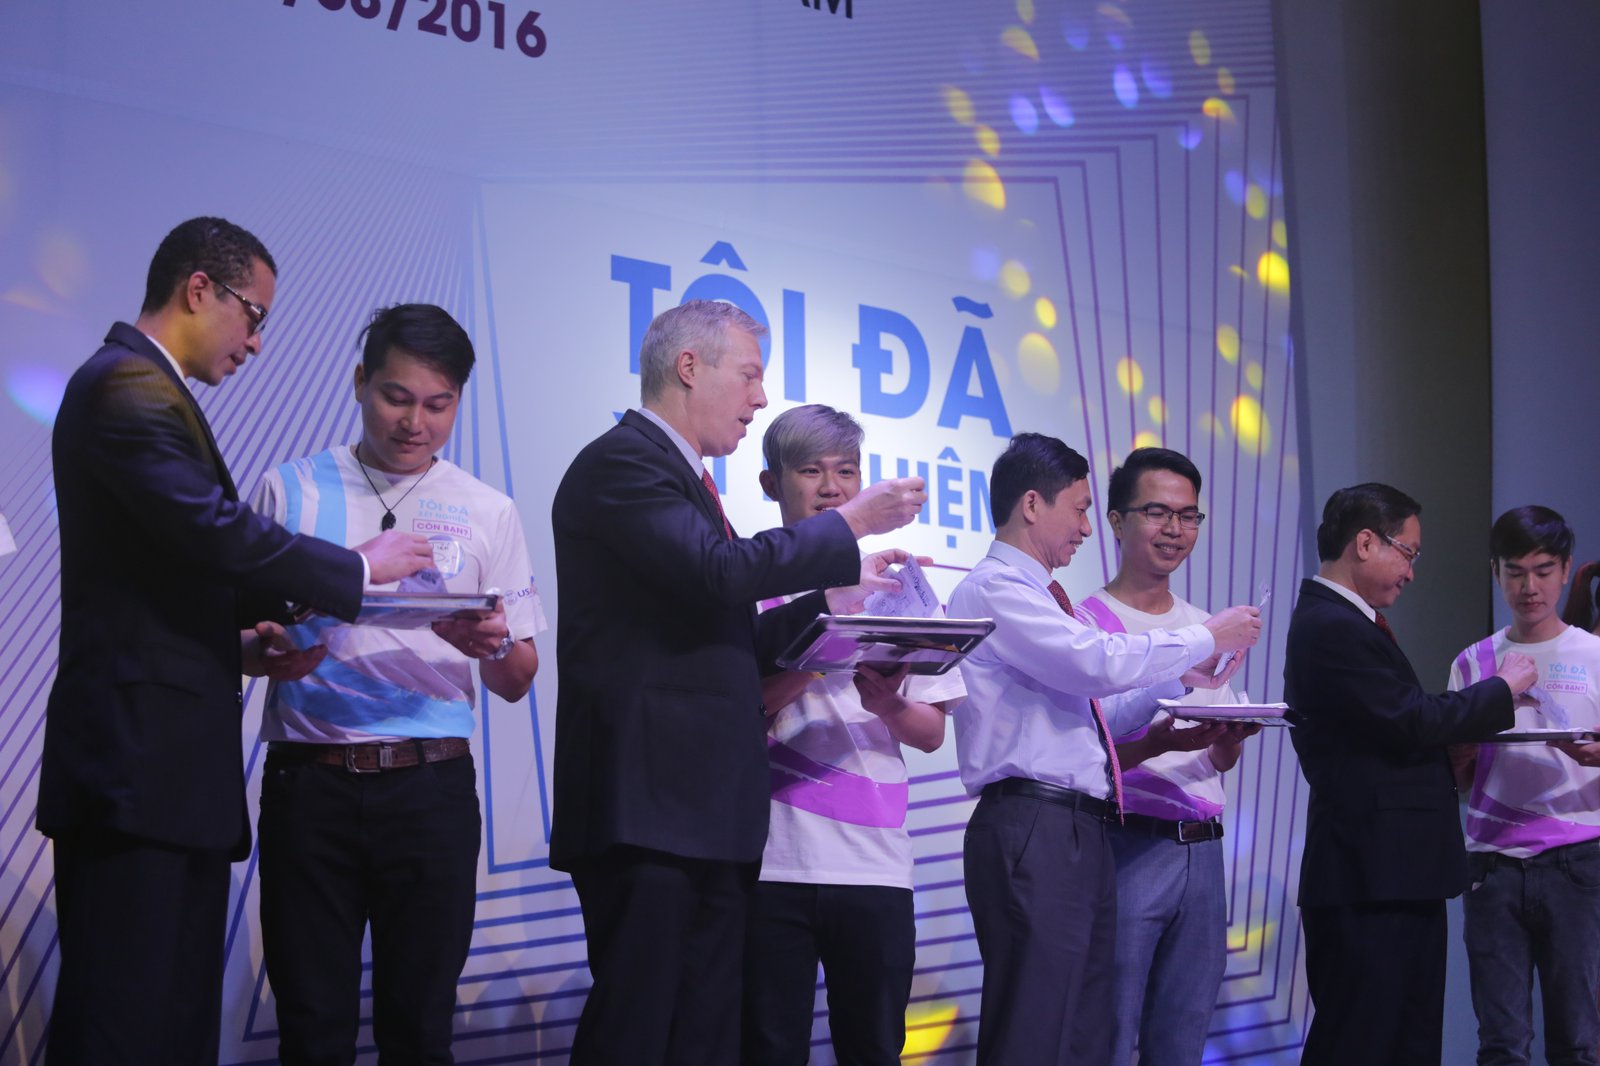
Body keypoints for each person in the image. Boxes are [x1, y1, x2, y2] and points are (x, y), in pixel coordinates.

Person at [37, 217, 432, 1066]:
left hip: (163, 772)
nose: (256, 343)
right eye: (253, 316)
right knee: (121, 1021)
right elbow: (214, 533)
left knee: (169, 1022)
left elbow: (168, 569)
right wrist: (357, 571)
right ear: (198, 290)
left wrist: (246, 645)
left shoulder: (148, 390)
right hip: (132, 768)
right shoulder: (126, 389)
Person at [549, 300, 928, 1066]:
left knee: (704, 1040)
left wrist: (834, 606)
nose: (760, 398)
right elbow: (719, 573)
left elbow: (728, 641)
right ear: (690, 367)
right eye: (750, 375)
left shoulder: (683, 480)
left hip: (704, 816)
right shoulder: (624, 462)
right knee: (639, 1029)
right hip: (648, 808)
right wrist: (847, 525)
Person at [244, 303, 544, 1065]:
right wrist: (265, 653)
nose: (415, 422)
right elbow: (238, 643)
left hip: (431, 790)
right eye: (396, 397)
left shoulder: (488, 510)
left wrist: (493, 639)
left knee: (420, 1028)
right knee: (312, 1029)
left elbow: (517, 679)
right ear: (358, 383)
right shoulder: (290, 492)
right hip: (310, 786)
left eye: (438, 405)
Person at [945, 432, 1262, 1066]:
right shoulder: (995, 587)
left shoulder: (1039, 596)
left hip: (1075, 824)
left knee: (1081, 1034)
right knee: (1038, 1029)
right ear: (1033, 504)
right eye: (1082, 508)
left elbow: (1094, 710)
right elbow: (1089, 663)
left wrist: (1185, 691)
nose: (1087, 528)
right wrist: (1201, 638)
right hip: (1034, 820)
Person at [740, 404, 965, 1066]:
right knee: (766, 1049)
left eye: (845, 471)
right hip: (768, 865)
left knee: (873, 1050)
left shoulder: (900, 585)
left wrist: (890, 705)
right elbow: (732, 712)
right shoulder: (745, 587)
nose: (831, 487)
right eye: (810, 470)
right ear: (771, 483)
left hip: (875, 868)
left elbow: (929, 734)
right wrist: (818, 660)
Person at [1285, 483, 1538, 1066]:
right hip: (1368, 875)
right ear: (1367, 542)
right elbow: (1410, 717)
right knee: (1365, 1040)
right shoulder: (1330, 625)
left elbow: (1384, 732)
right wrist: (1502, 689)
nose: (1412, 572)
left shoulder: (1348, 623)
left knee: (1406, 1039)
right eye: (1409, 552)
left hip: (1392, 873)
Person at [1071, 447, 1257, 1066]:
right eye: (1157, 512)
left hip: (1202, 851)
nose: (1175, 529)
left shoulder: (1211, 626)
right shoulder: (1083, 626)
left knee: (1182, 1042)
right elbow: (1080, 756)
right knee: (1108, 1035)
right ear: (1117, 522)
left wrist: (1230, 739)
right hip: (1123, 846)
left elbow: (1220, 761)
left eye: (1189, 516)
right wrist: (1160, 740)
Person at [1447, 506, 1600, 1066]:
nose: (1529, 587)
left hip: (1580, 862)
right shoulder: (1474, 662)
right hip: (1493, 866)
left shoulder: (1594, 656)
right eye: (1515, 572)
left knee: (1579, 1041)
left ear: (1564, 571)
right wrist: (1458, 757)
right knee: (1503, 1043)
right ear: (1496, 572)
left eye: (1542, 570)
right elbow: (1463, 780)